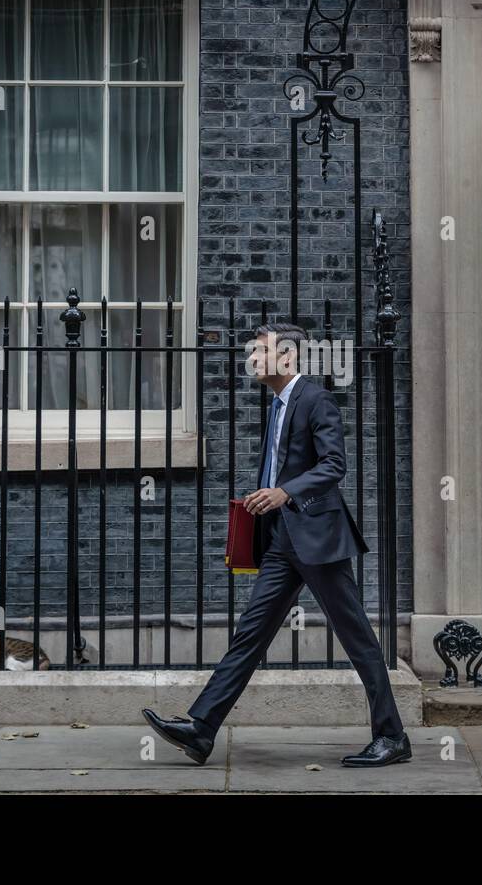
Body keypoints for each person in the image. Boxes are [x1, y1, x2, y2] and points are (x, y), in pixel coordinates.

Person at [142, 322, 410, 767]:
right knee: (251, 633)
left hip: (318, 539)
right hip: (284, 539)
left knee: (357, 636)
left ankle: (392, 736)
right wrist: (265, 496)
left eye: (259, 351)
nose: (252, 359)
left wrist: (286, 492)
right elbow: (282, 467)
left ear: (288, 357)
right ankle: (202, 728)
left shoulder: (315, 399)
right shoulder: (277, 405)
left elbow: (334, 465)